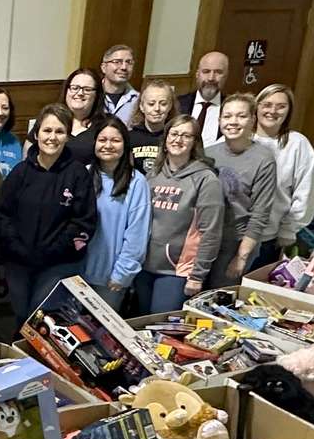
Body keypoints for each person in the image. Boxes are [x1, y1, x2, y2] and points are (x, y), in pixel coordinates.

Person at [0, 104, 98, 328]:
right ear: (37, 134)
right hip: (19, 260)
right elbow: (3, 215)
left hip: (59, 263)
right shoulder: (20, 172)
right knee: (21, 315)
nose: (52, 137)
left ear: (67, 136)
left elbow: (83, 222)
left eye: (59, 131)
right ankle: (20, 348)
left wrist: (50, 251)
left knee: (40, 317)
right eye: (47, 130)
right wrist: (18, 248)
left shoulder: (78, 174)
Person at [137, 114, 221, 315]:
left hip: (177, 271)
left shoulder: (206, 179)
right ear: (165, 139)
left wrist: (197, 275)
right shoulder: (153, 175)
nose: (178, 140)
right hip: (143, 267)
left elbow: (211, 232)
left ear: (194, 142)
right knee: (139, 321)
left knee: (160, 325)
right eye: (174, 134)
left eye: (186, 135)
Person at [81, 118, 150, 310]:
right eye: (102, 140)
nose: (108, 145)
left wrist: (123, 273)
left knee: (102, 328)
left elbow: (137, 233)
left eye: (115, 140)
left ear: (125, 145)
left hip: (111, 278)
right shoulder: (83, 175)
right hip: (76, 273)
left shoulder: (136, 182)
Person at [211, 92, 281, 284]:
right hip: (207, 240)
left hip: (236, 243)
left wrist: (241, 257)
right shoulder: (208, 154)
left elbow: (260, 214)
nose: (233, 122)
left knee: (218, 294)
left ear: (252, 120)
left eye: (241, 116)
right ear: (219, 121)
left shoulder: (263, 159)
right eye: (227, 116)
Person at [254, 83, 314, 261]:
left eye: (281, 106)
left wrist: (289, 229)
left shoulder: (297, 144)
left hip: (270, 237)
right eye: (267, 105)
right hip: (232, 234)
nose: (273, 111)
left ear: (289, 111)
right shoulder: (240, 138)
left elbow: (305, 192)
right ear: (256, 106)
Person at [126, 80, 180, 175]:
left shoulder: (176, 138)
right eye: (151, 104)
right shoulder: (129, 137)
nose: (157, 109)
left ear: (170, 106)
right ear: (142, 106)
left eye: (163, 104)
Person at [56, 67, 104, 163]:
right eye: (75, 88)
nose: (80, 93)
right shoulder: (50, 119)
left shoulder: (105, 125)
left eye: (87, 89)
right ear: (66, 90)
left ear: (97, 95)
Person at [187, 50, 230, 149]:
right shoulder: (179, 103)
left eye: (218, 72)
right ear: (197, 74)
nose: (211, 78)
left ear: (226, 76)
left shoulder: (231, 108)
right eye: (206, 71)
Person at [98, 42, 140, 124]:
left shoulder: (139, 100)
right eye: (117, 62)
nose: (124, 67)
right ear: (104, 67)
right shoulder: (92, 95)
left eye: (129, 62)